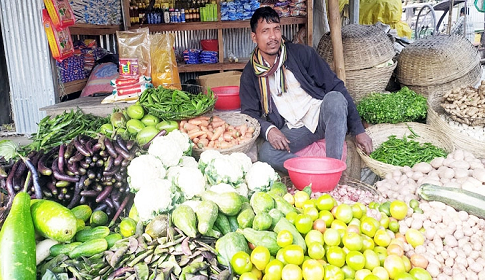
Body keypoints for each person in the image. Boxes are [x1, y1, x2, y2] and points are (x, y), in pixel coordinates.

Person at [239, 6, 373, 173]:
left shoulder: (302, 54)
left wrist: (358, 130)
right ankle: (313, 171)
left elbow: (336, 86)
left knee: (335, 99)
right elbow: (249, 114)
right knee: (267, 154)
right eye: (265, 31)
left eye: (276, 29)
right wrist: (269, 129)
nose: (272, 36)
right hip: (294, 129)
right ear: (254, 37)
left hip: (320, 116)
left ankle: (333, 168)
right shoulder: (250, 73)